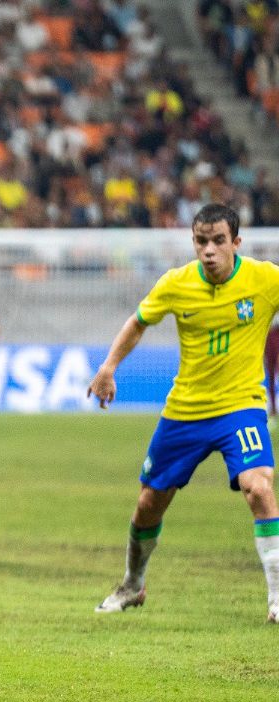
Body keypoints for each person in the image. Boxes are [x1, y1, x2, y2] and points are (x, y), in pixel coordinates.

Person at [88, 203, 279, 622]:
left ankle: (276, 599)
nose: (208, 251)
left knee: (260, 488)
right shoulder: (176, 284)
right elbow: (138, 322)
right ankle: (133, 584)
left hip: (241, 408)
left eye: (218, 241)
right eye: (201, 241)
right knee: (148, 505)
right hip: (186, 411)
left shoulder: (265, 279)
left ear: (236, 243)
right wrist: (108, 367)